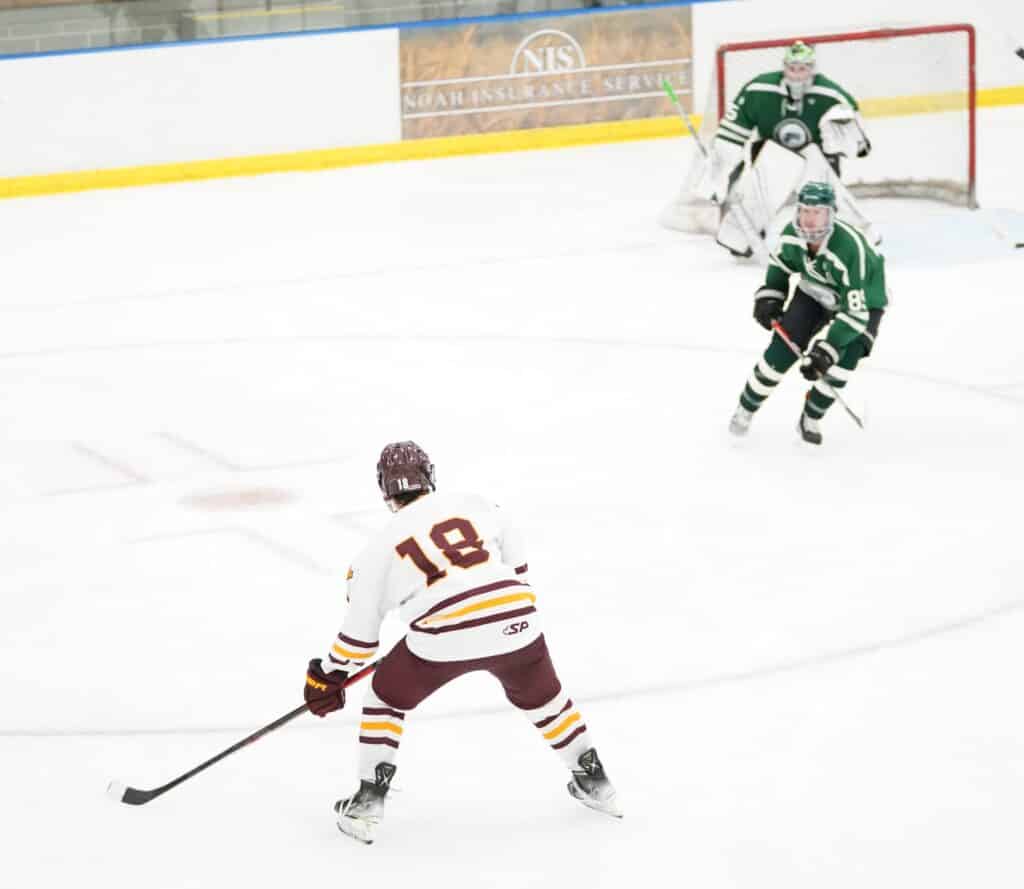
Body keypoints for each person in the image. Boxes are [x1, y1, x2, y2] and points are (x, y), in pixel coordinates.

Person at [302, 441, 621, 844]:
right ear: (430, 476)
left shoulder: (374, 551)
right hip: (516, 618)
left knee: (385, 696)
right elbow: (517, 570)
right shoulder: (479, 504)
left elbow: (358, 640)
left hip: (441, 638)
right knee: (545, 699)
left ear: (385, 491)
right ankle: (595, 779)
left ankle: (369, 800)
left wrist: (327, 676)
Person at [728, 180, 888, 445]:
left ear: (831, 215)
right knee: (781, 350)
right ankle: (746, 407)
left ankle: (811, 415)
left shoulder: (850, 250)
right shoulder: (792, 234)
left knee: (845, 360)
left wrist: (827, 349)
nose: (810, 220)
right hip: (816, 289)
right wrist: (772, 295)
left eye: (818, 213)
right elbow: (780, 265)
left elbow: (855, 313)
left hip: (864, 301)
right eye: (805, 211)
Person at [700, 39, 871, 204]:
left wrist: (840, 141)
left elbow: (860, 148)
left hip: (815, 160)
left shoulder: (832, 95)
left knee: (825, 203)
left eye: (802, 68)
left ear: (812, 70)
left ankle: (834, 217)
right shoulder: (759, 89)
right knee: (753, 204)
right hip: (771, 157)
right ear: (784, 68)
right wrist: (718, 173)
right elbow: (730, 136)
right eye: (792, 68)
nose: (796, 75)